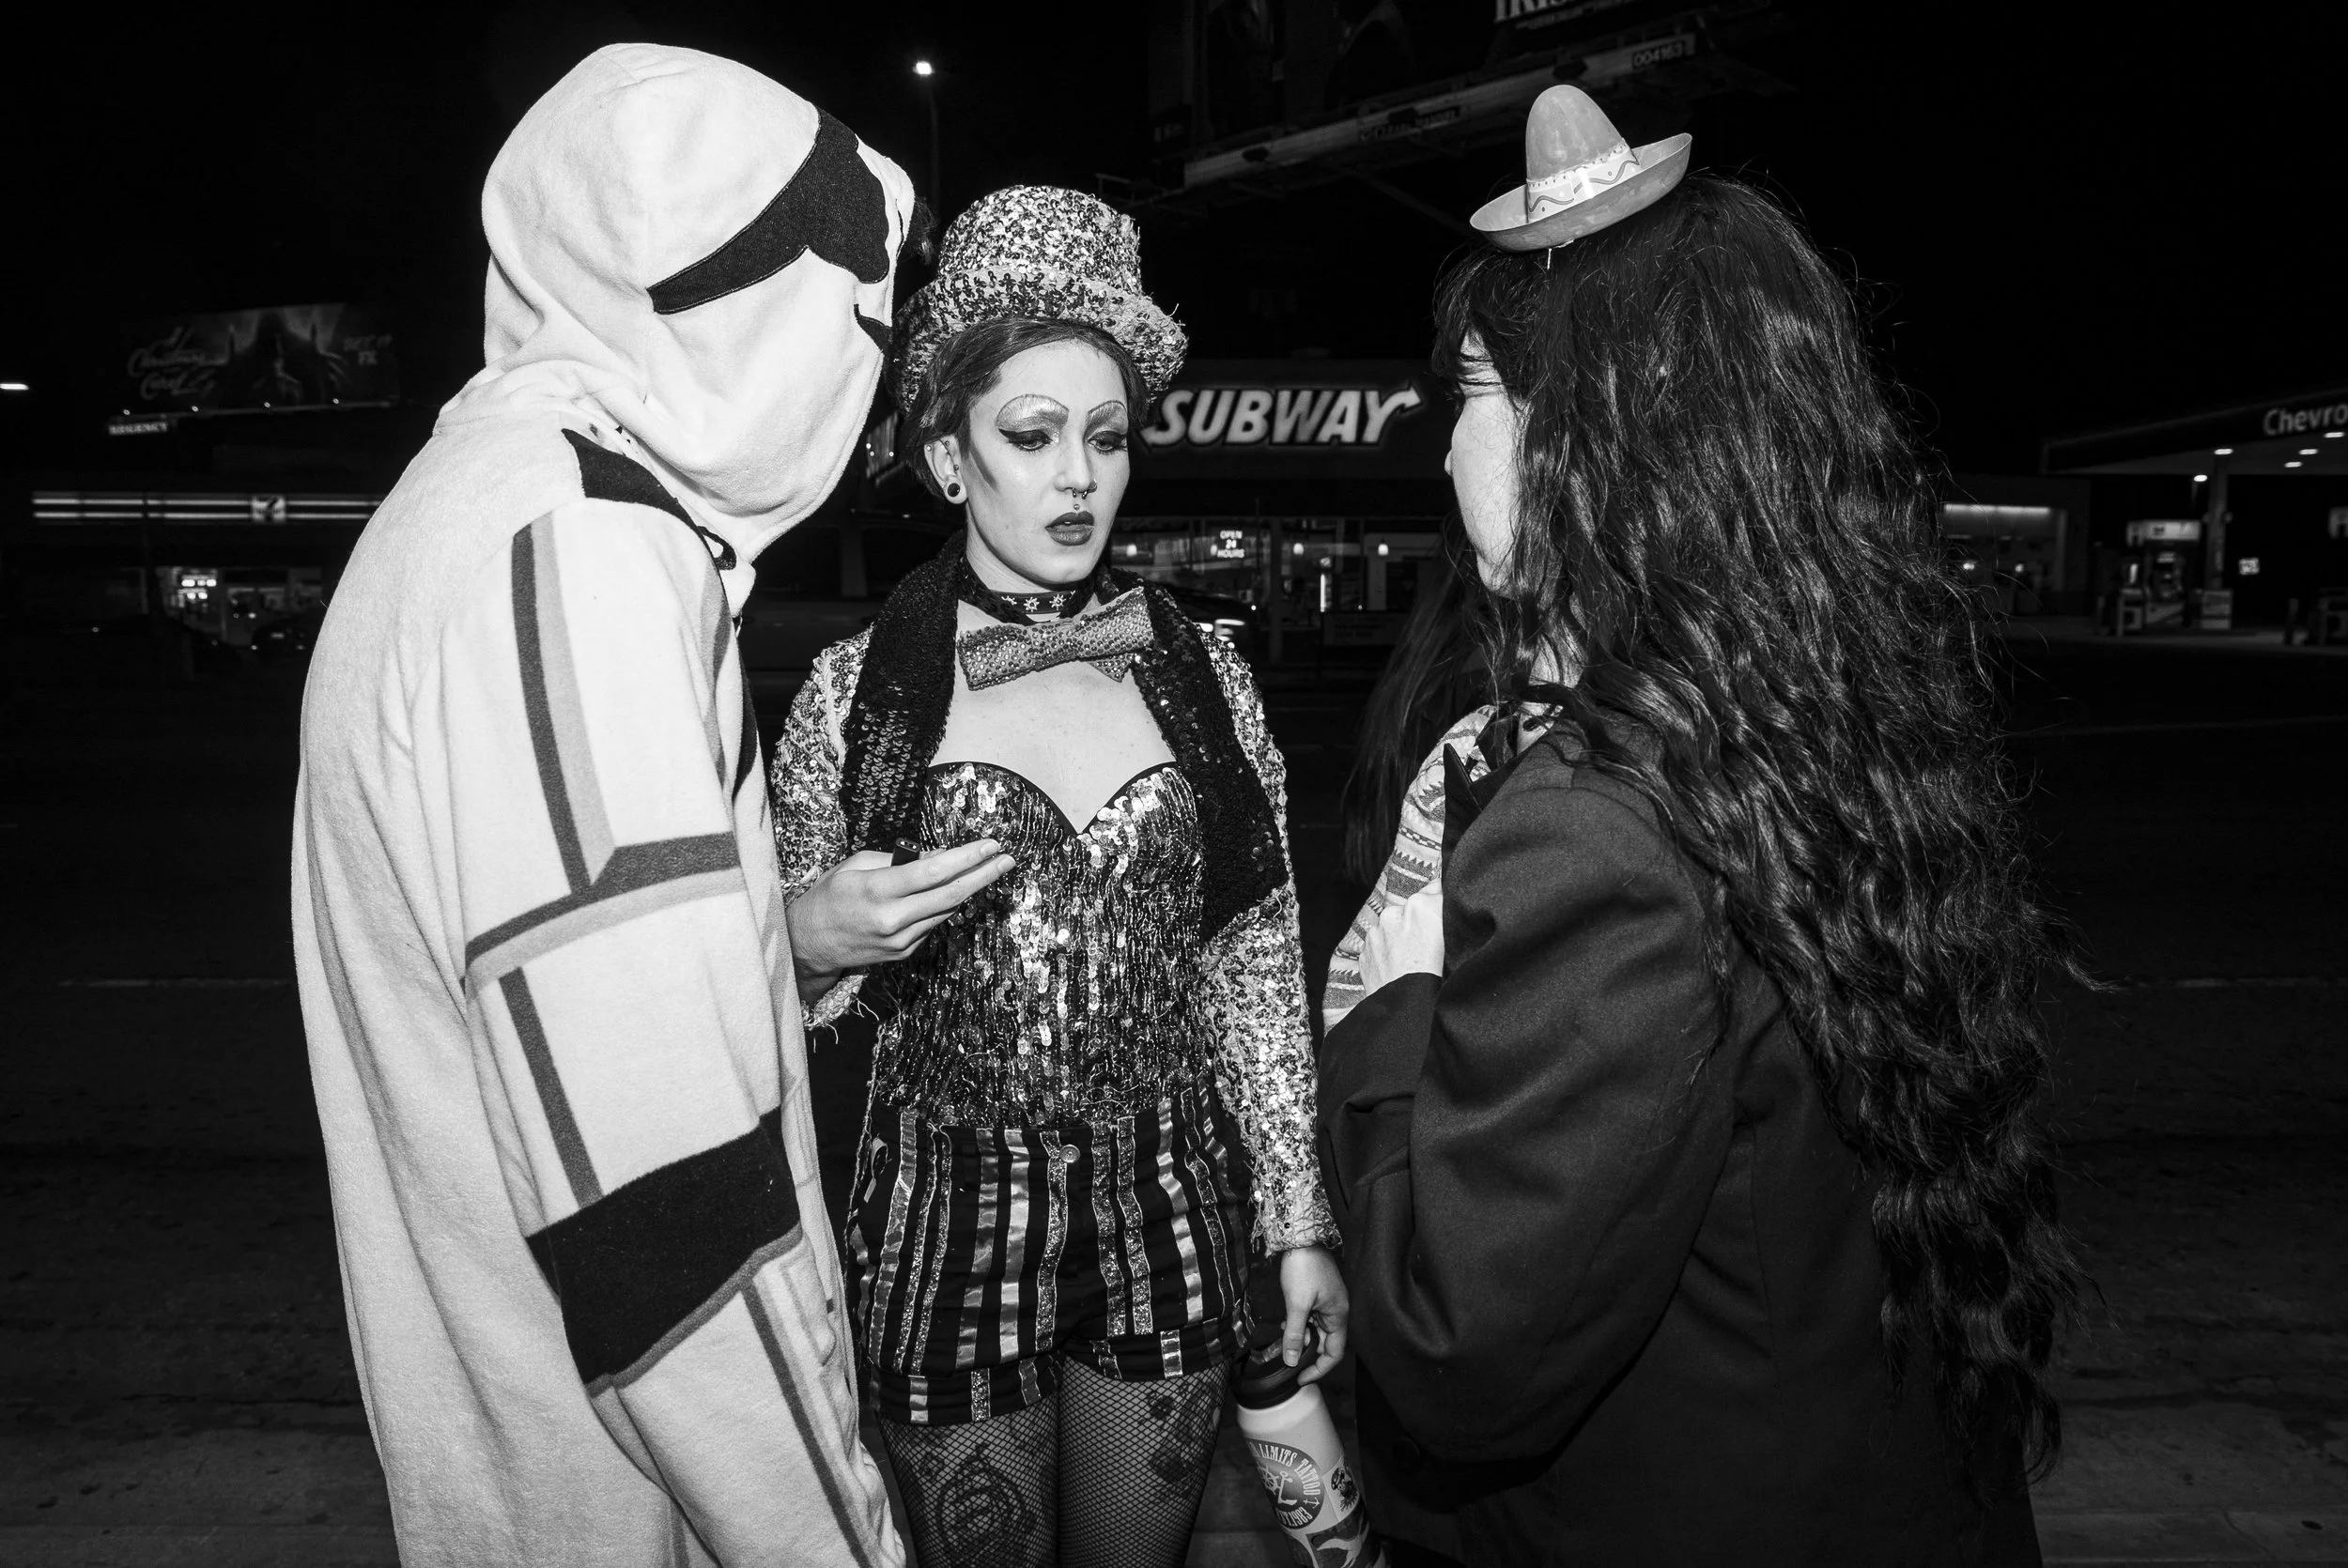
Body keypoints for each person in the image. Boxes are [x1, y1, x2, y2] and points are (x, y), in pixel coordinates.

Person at [1320, 86, 2078, 1565]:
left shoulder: (1598, 827)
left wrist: (1400, 988)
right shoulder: (1827, 716)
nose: (1452, 447)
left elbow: (1456, 1346)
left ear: (1581, 438)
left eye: (1473, 391)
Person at [291, 46, 920, 1567]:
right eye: (862, 323)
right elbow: (667, 1216)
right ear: (773, 314)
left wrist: (784, 951)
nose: (867, 373)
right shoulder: (570, 567)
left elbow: (560, 998)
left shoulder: (477, 503)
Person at [769, 185, 1348, 1568]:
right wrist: (806, 937)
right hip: (943, 1220)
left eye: (1105, 438)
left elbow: (1252, 959)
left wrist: (1296, 1217)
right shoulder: (858, 697)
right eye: (1031, 438)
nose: (1078, 478)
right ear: (950, 457)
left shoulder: (1202, 675)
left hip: (1169, 1212)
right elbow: (740, 1004)